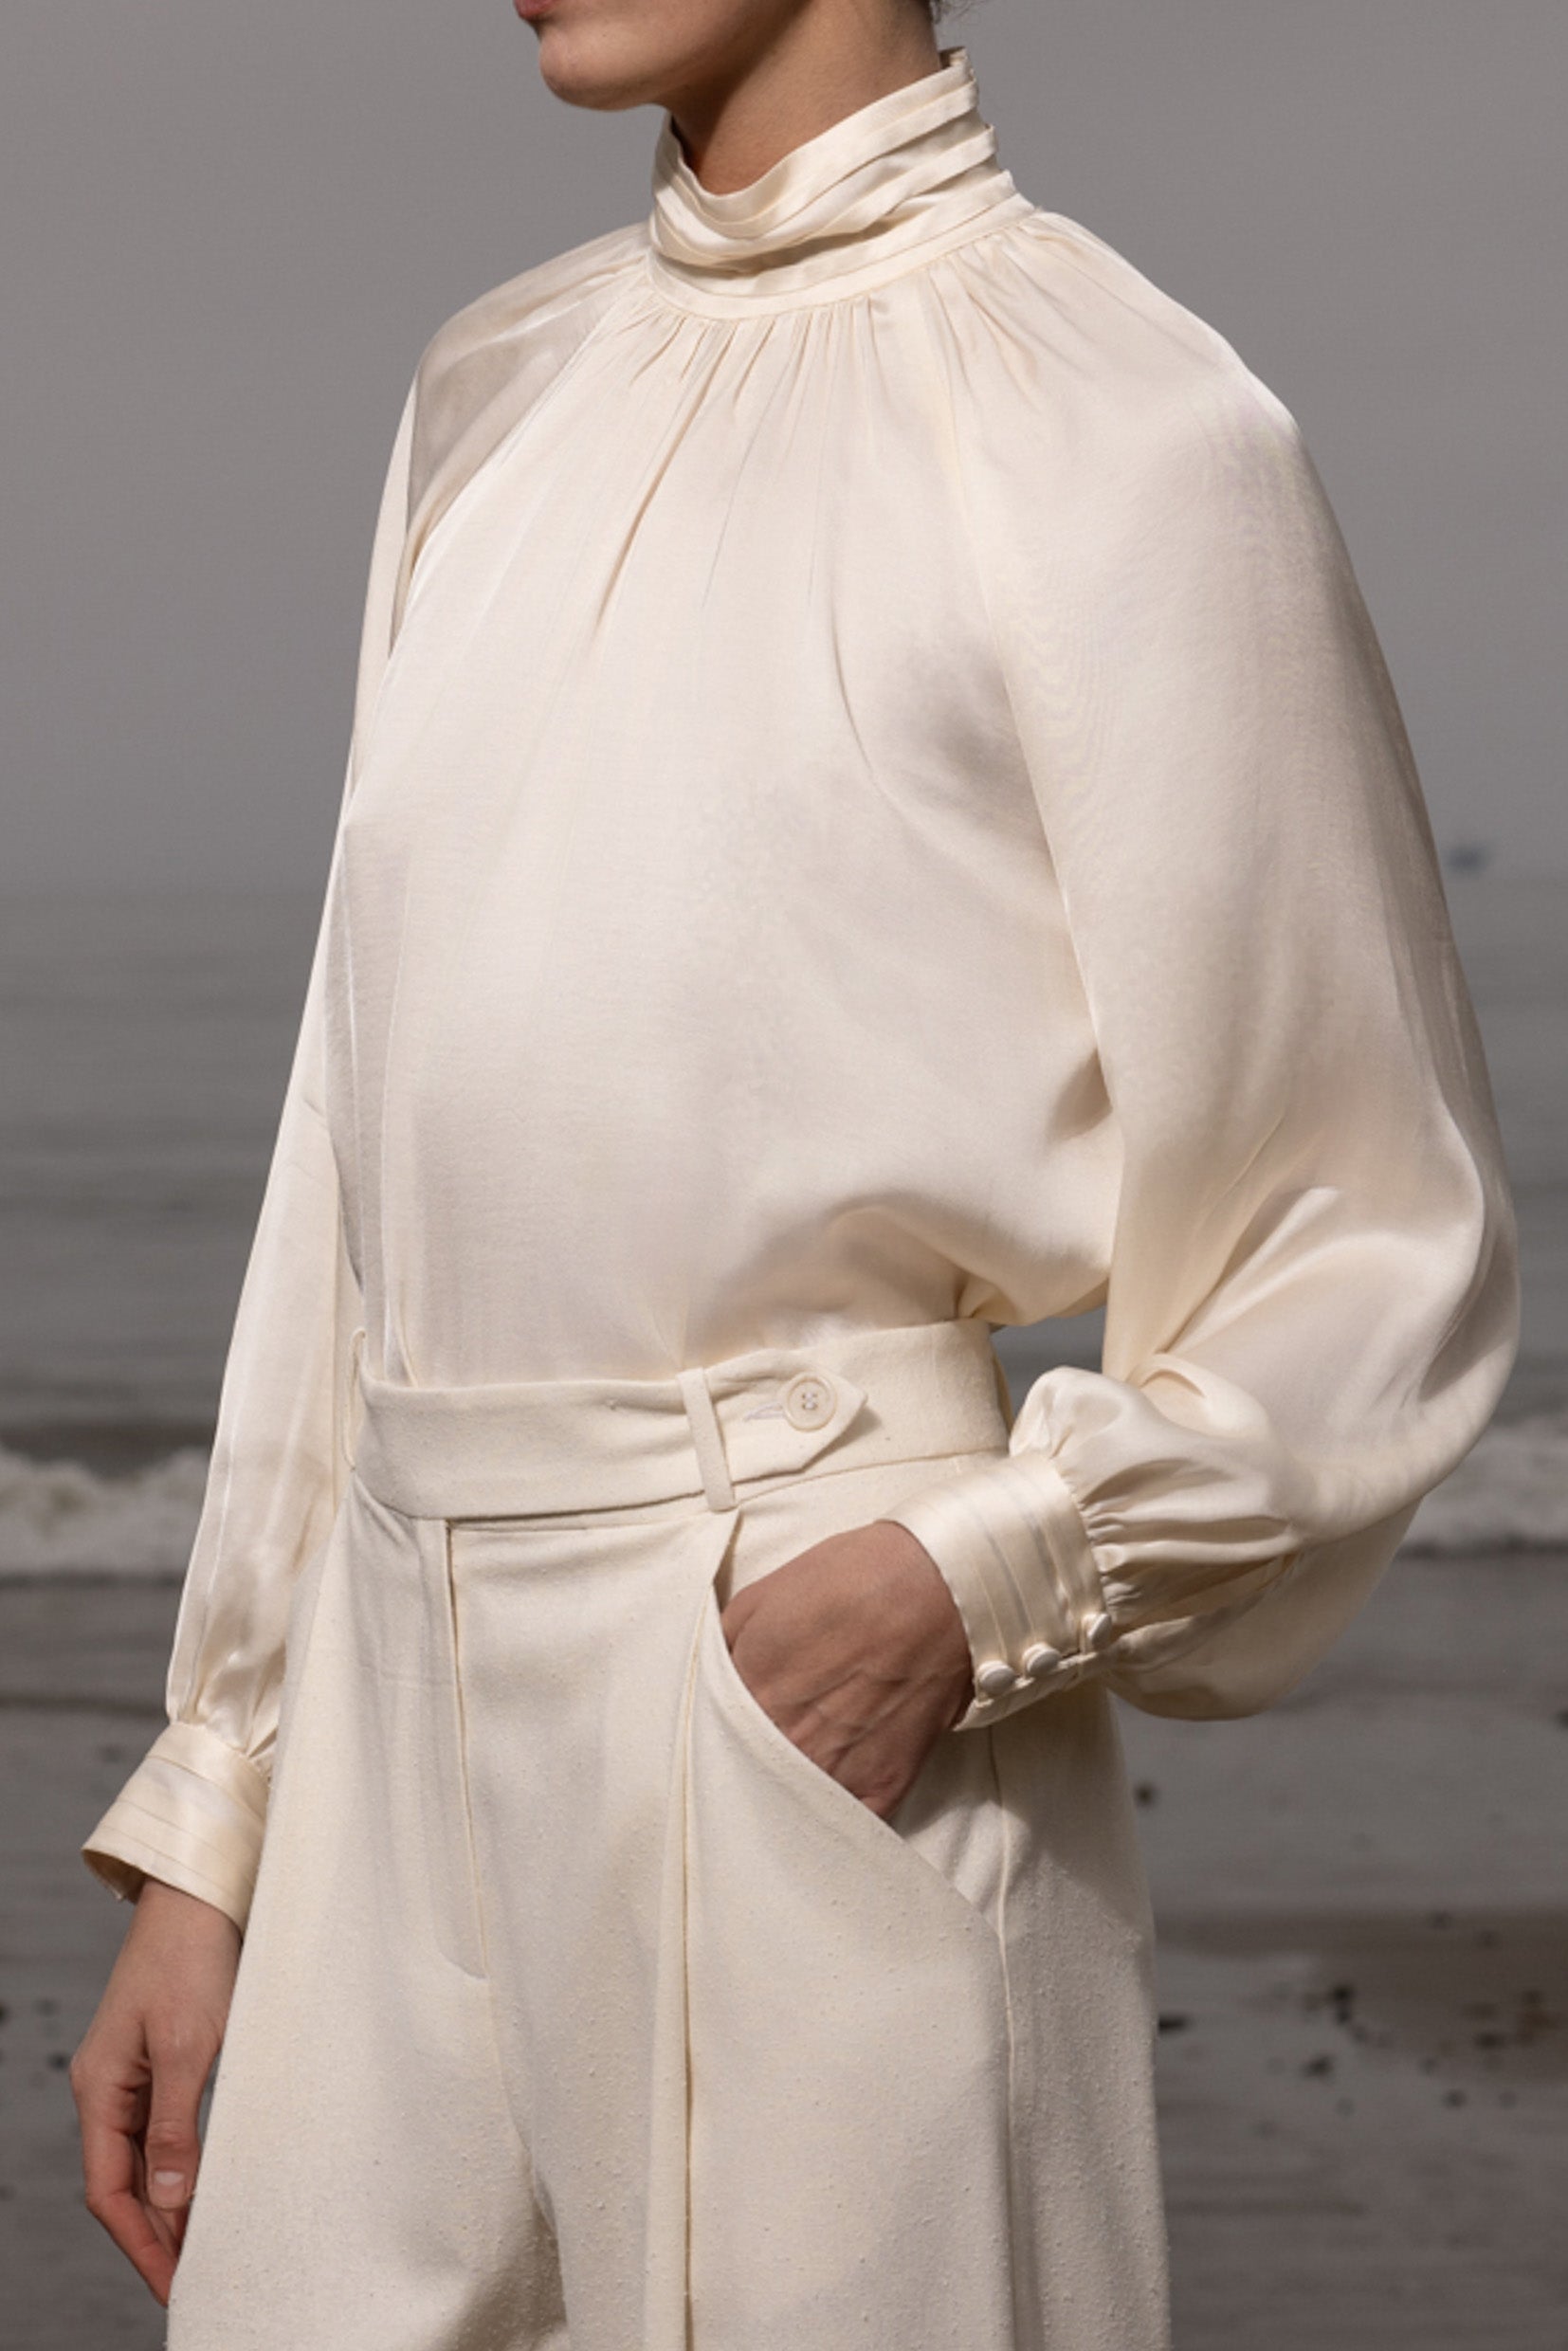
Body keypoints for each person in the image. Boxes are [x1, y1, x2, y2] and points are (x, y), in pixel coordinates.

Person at [68, 3, 1520, 2345]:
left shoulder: (1137, 434)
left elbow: (1369, 1231)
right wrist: (218, 1812)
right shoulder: (486, 391)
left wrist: (984, 1575)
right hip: (381, 1723)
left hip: (809, 1677)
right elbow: (356, 1143)